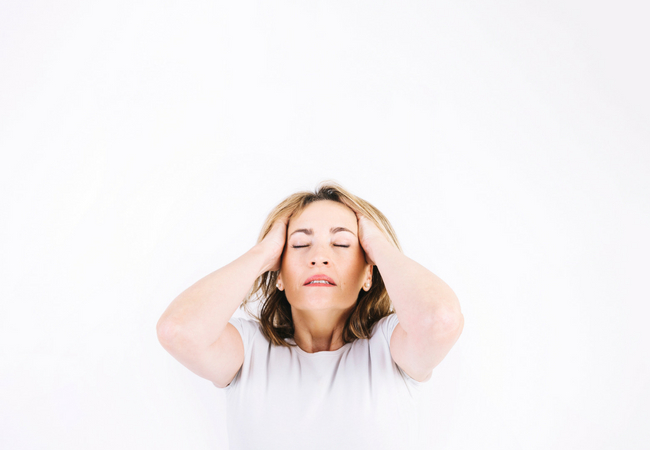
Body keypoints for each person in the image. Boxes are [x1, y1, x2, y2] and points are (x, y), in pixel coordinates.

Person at [156, 181, 464, 450]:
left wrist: (378, 244)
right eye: (300, 244)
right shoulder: (249, 351)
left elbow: (440, 320)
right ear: (278, 272)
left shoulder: (389, 346)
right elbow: (178, 331)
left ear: (368, 272)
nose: (319, 257)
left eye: (342, 243)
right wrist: (262, 253)